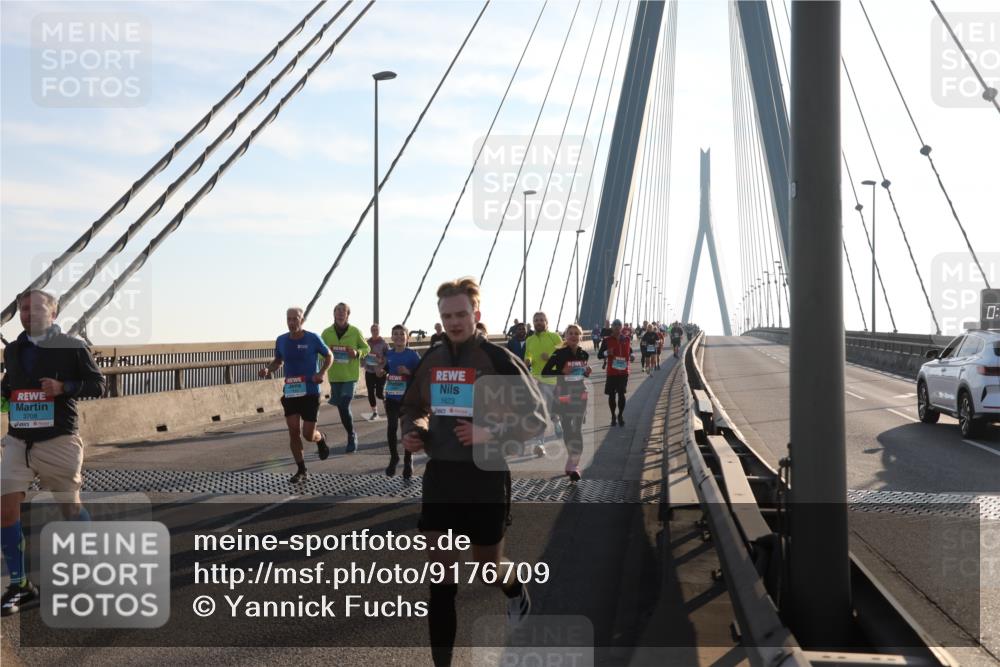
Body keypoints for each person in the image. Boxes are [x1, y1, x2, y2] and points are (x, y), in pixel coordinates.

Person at [400, 277, 547, 667]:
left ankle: (515, 590)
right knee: (442, 584)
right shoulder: (431, 359)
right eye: (447, 315)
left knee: (487, 569)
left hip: (485, 476)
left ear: (476, 314)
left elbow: (537, 419)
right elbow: (413, 405)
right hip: (442, 479)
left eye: (461, 314)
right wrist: (415, 431)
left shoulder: (498, 360)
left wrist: (490, 431)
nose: (454, 322)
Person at [1, 289, 107, 616]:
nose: (28, 314)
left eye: (35, 308)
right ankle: (20, 585)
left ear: (53, 313)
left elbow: (98, 385)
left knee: (70, 509)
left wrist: (64, 388)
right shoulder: (14, 350)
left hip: (58, 439)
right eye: (22, 309)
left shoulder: (73, 347)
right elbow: (10, 389)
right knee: (5, 508)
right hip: (18, 441)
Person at [259, 307, 333, 483]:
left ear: (302, 320)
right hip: (291, 391)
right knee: (293, 431)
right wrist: (268, 369)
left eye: (295, 319)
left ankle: (320, 438)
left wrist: (321, 373)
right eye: (289, 319)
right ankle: (301, 469)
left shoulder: (313, 338)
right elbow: (278, 361)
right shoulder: (282, 340)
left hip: (310, 391)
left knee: (308, 434)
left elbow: (329, 355)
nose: (291, 322)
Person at [541, 324, 591, 482]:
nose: (574, 336)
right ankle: (571, 458)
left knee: (577, 428)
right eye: (571, 333)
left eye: (577, 333)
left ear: (580, 337)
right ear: (565, 336)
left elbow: (582, 374)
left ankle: (574, 464)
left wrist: (587, 372)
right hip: (563, 396)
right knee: (568, 429)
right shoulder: (559, 353)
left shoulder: (583, 354)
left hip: (580, 395)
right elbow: (546, 371)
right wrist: (561, 372)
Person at [321, 303, 370, 454]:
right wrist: (327, 353)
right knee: (342, 408)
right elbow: (318, 351)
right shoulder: (326, 332)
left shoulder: (355, 331)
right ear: (334, 314)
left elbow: (366, 348)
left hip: (350, 376)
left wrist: (356, 353)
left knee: (344, 403)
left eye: (344, 311)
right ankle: (351, 431)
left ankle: (351, 435)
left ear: (348, 315)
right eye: (338, 311)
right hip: (335, 376)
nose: (341, 313)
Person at [384, 324, 422, 479]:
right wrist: (381, 372)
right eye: (396, 334)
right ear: (392, 337)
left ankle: (408, 460)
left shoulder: (412, 355)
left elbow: (422, 374)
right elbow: (383, 369)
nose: (399, 336)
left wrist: (408, 372)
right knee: (392, 426)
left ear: (407, 337)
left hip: (408, 398)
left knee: (407, 430)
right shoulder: (388, 354)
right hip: (392, 396)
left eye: (402, 334)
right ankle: (394, 457)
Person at [524, 311, 563, 454]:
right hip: (536, 379)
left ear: (546, 322)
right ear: (533, 323)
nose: (538, 322)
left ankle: (556, 422)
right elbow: (528, 354)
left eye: (541, 320)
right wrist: (527, 360)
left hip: (551, 379)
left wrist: (551, 358)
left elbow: (564, 355)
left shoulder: (554, 337)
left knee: (547, 408)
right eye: (536, 320)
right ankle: (540, 443)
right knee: (540, 410)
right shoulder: (530, 340)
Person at [597, 319, 633, 427]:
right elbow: (599, 355)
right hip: (612, 372)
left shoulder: (626, 339)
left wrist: (631, 356)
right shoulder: (607, 340)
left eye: (619, 325)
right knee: (612, 395)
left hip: (623, 372)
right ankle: (613, 415)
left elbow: (630, 351)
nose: (617, 327)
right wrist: (607, 352)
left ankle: (620, 415)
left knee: (622, 394)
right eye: (615, 325)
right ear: (612, 327)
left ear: (621, 327)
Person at [365, 324, 389, 421]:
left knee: (379, 393)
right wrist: (364, 360)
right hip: (369, 370)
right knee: (370, 392)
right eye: (373, 330)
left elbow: (389, 356)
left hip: (380, 371)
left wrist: (382, 361)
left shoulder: (384, 343)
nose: (375, 331)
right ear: (371, 331)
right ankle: (375, 412)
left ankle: (385, 402)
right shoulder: (367, 343)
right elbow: (364, 354)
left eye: (376, 330)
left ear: (379, 331)